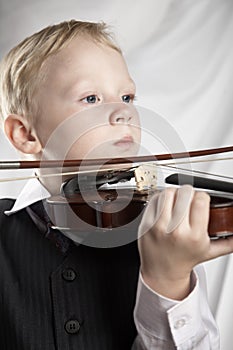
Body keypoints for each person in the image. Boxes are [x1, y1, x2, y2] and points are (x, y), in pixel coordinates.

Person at [0, 19, 233, 350]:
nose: (122, 112)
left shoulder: (161, 232)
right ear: (25, 134)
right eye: (91, 98)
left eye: (127, 96)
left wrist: (168, 280)